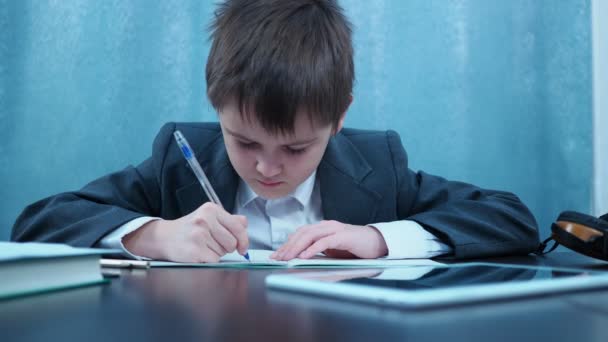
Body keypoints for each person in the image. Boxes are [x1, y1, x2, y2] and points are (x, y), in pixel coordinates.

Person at [11, 0, 539, 262]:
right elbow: (40, 221)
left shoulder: (377, 164)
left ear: (339, 118)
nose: (267, 168)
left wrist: (379, 238)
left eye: (295, 147)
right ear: (217, 107)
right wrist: (154, 235)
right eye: (244, 142)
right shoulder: (179, 160)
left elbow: (510, 219)